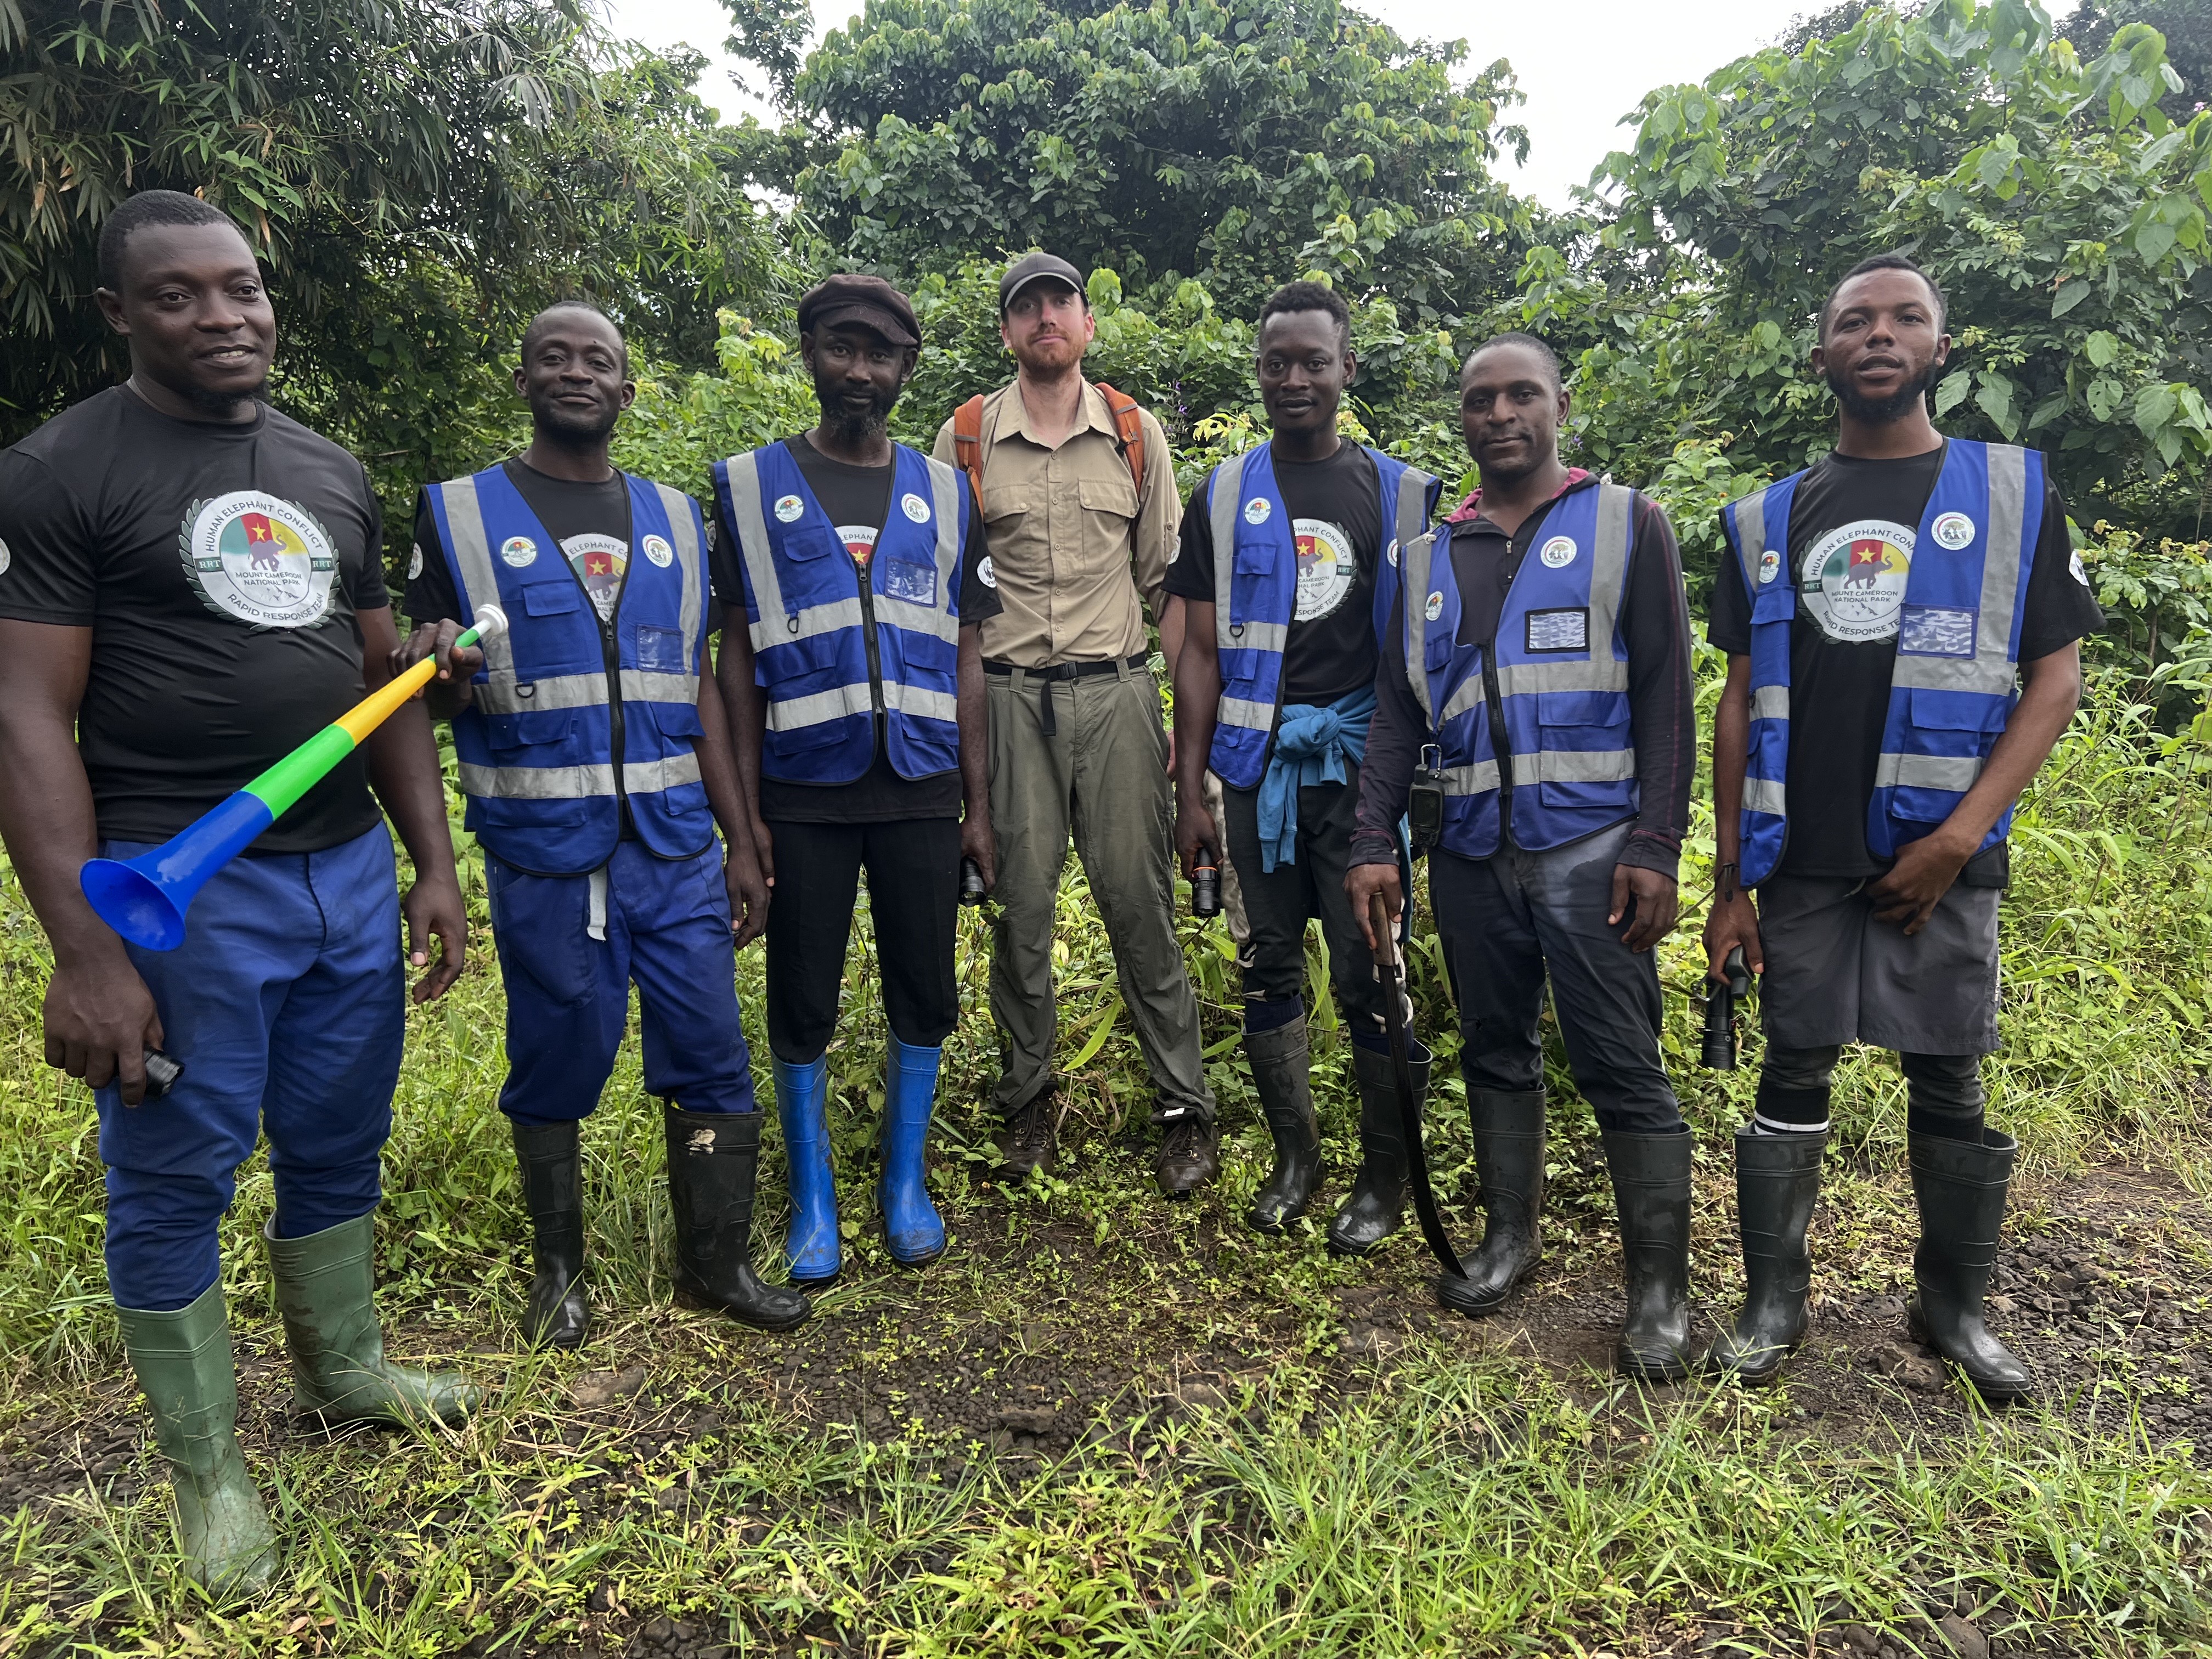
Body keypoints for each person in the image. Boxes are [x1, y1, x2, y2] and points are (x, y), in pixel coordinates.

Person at [0, 191, 477, 1596]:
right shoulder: (57, 472)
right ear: (118, 313)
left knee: (339, 1135)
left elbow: (385, 679)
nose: (224, 317)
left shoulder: (326, 469)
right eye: (180, 296)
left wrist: (431, 861)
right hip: (181, 891)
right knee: (173, 1173)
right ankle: (209, 1472)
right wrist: (88, 954)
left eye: (242, 288)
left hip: (344, 874)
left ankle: (344, 1371)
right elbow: (24, 718)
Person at [1702, 255, 2100, 1402]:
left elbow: (2056, 683)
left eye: (1905, 318)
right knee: (1793, 1062)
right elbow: (1738, 701)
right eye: (1855, 321)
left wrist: (1958, 840)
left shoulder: (2012, 494)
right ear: (1822, 354)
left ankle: (1953, 1310)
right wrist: (1728, 883)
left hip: (1943, 850)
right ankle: (1775, 1303)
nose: (1879, 334)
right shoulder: (1764, 517)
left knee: (1950, 1073)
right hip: (1802, 851)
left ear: (1940, 349)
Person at [400, 301, 805, 1345]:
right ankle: (559, 1274)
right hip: (546, 856)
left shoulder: (678, 519)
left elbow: (699, 690)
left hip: (675, 847)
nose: (576, 372)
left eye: (598, 361)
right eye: (554, 357)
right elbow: (436, 695)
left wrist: (742, 839)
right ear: (525, 379)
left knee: (711, 1049)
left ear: (628, 389)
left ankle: (717, 1264)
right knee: (557, 1052)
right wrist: (439, 666)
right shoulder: (458, 514)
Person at [1347, 332, 1700, 1380]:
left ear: (1560, 406)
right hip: (1468, 850)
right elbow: (1397, 712)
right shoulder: (1424, 558)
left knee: (1622, 1063)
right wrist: (1373, 840)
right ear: (1461, 416)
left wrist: (1658, 843)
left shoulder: (1628, 523)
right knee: (1494, 1048)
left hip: (1593, 849)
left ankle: (1658, 1292)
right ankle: (1510, 1238)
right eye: (1480, 399)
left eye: (1522, 395)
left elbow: (1667, 697)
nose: (1500, 414)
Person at [713, 275, 996, 1284]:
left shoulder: (947, 492)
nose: (860, 371)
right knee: (802, 996)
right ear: (809, 352)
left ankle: (904, 1184)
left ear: (907, 368)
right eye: (842, 348)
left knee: (926, 988)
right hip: (804, 793)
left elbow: (967, 654)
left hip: (920, 788)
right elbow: (735, 661)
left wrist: (978, 807)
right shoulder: (747, 487)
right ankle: (814, 1196)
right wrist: (745, 824)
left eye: (881, 355)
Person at [932, 251, 1217, 1195]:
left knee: (1141, 906)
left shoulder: (1134, 432)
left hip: (1117, 697)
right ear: (1007, 331)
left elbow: (1167, 588)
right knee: (1020, 911)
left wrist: (1183, 737)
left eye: (1061, 303)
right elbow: (947, 605)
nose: (1045, 318)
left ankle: (1184, 1109)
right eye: (1027, 308)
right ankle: (1026, 1103)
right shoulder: (964, 437)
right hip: (1006, 701)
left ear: (1088, 324)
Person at [1168, 281, 1440, 1238]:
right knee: (1267, 960)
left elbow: (1423, 651)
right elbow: (1199, 653)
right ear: (1259, 372)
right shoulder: (1223, 493)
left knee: (1372, 966)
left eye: (1313, 362)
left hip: (1363, 772)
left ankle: (1385, 1176)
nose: (1294, 379)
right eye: (1276, 363)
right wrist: (1191, 789)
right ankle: (1297, 1157)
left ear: (1346, 369)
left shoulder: (1406, 495)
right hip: (1255, 770)